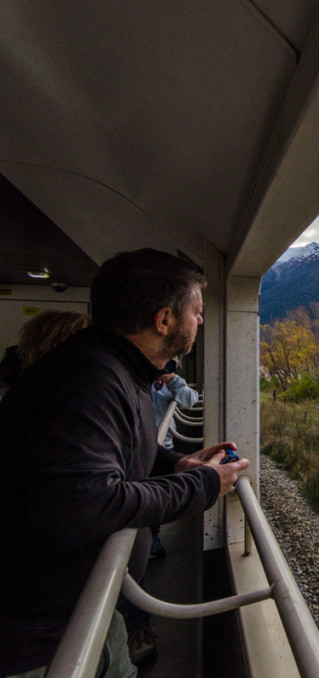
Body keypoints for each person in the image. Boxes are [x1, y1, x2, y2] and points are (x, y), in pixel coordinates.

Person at [0, 248, 249, 677]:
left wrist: (176, 465)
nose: (201, 322)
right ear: (164, 319)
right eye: (197, 311)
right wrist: (204, 485)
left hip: (89, 606)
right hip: (40, 641)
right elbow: (82, 507)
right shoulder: (89, 379)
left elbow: (118, 454)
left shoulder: (115, 369)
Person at [148, 358, 200, 560]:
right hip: (138, 448)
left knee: (157, 492)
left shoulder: (168, 384)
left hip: (163, 447)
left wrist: (172, 379)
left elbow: (190, 399)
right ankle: (149, 539)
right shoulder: (138, 381)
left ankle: (153, 536)